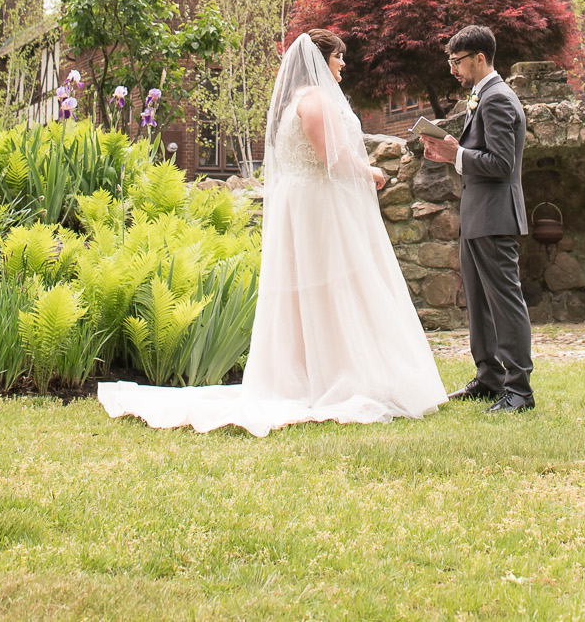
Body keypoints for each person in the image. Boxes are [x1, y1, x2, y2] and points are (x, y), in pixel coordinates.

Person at [98, 29, 447, 436]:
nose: (343, 64)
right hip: (318, 206)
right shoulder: (314, 100)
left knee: (318, 288)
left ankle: (316, 372)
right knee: (332, 285)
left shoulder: (292, 103)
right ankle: (337, 376)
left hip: (304, 203)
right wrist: (370, 171)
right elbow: (329, 157)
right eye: (339, 56)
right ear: (320, 59)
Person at [419, 24, 535, 412]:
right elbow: (480, 158)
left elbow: (502, 164)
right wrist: (451, 154)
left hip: (495, 216)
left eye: (457, 61)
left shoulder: (499, 98)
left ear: (480, 58)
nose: (452, 69)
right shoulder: (481, 97)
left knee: (505, 302)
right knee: (479, 302)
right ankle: (489, 378)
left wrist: (457, 155)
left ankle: (519, 390)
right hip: (477, 216)